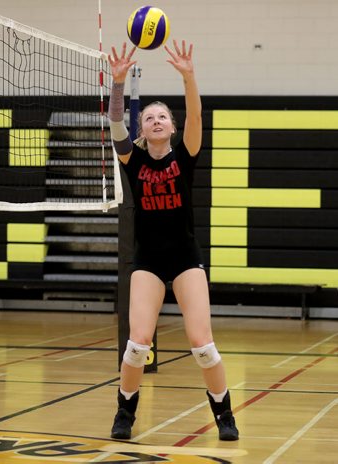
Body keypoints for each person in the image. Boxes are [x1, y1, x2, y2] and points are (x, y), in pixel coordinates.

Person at [107, 40, 239, 442]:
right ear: (142, 129)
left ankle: (223, 411)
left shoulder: (186, 155)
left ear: (173, 126)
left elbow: (196, 113)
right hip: (146, 259)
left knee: (202, 345)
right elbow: (115, 123)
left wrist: (188, 76)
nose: (158, 121)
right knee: (137, 344)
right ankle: (125, 412)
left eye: (163, 116)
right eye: (150, 117)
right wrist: (117, 84)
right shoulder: (134, 161)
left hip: (185, 257)